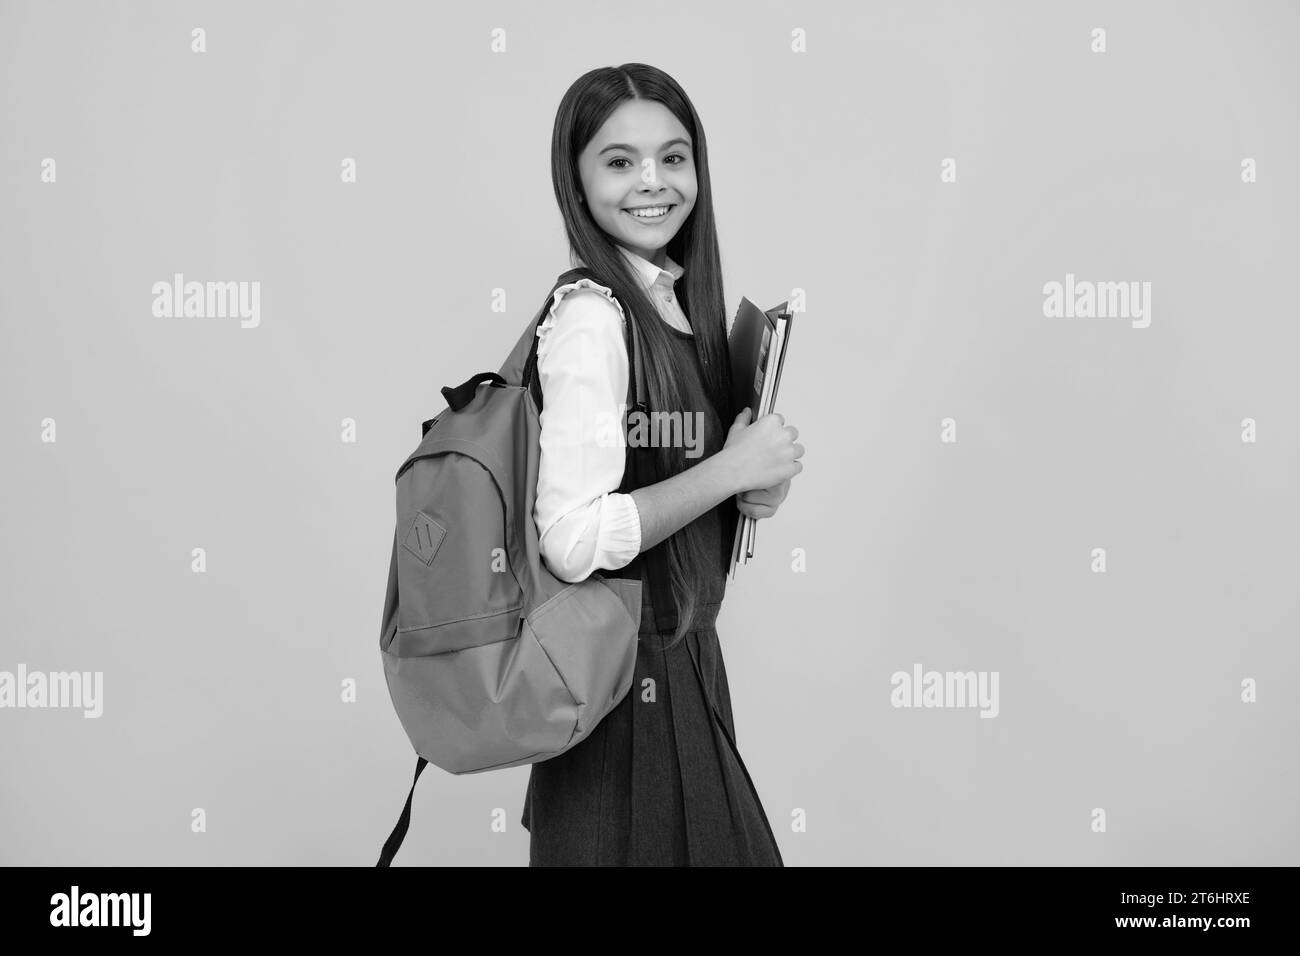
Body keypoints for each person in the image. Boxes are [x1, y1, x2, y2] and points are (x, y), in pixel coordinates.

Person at [519, 63, 805, 866]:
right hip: (623, 693)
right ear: (576, 183)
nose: (653, 182)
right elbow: (570, 539)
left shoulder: (669, 302)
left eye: (674, 158)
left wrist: (752, 481)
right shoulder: (590, 317)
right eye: (619, 161)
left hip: (681, 669)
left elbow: (658, 472)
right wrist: (722, 473)